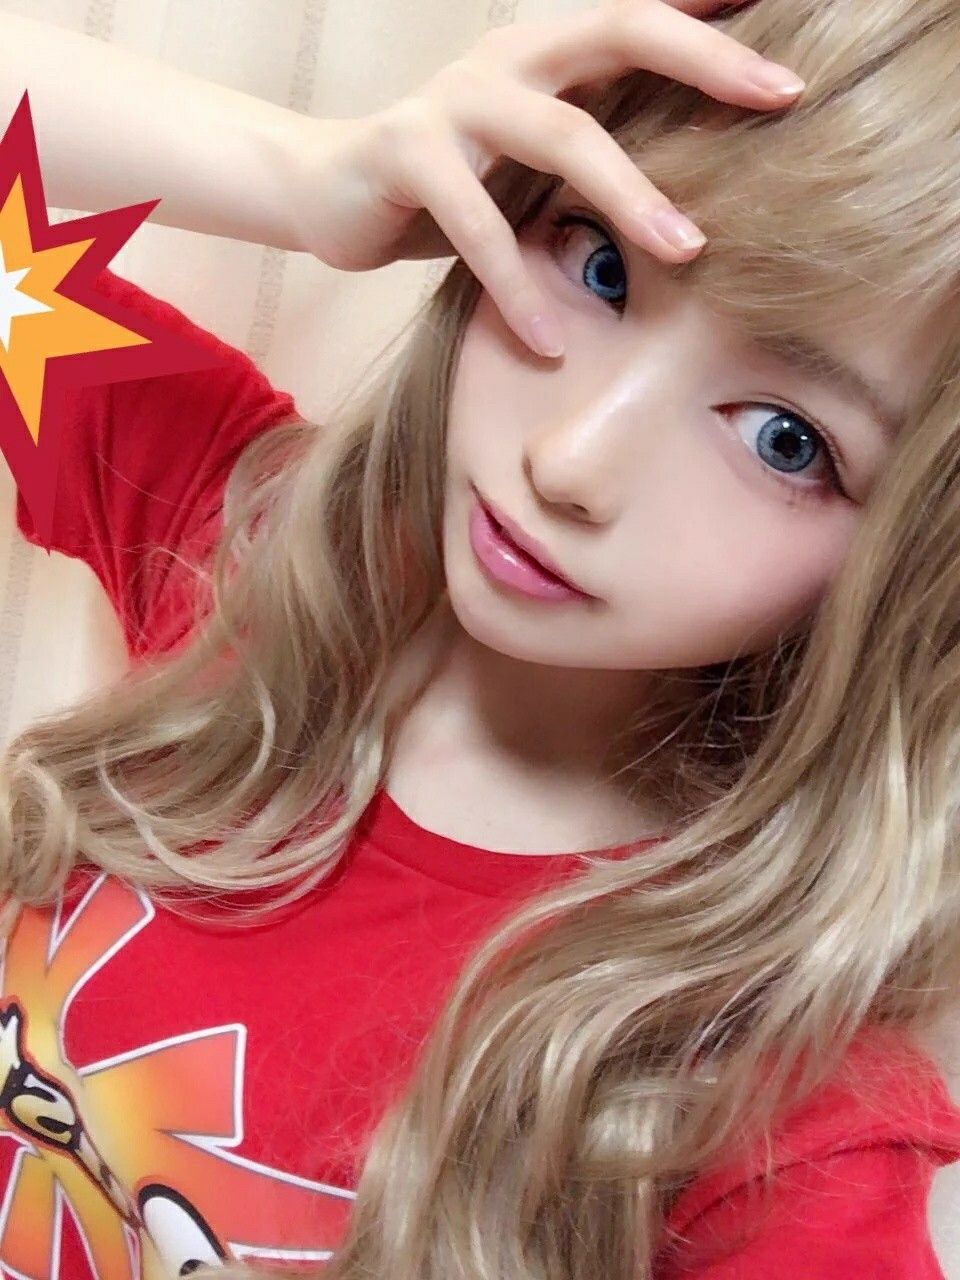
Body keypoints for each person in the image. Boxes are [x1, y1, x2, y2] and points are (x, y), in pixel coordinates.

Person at [2, 1, 960, 1277]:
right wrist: (313, 175)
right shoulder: (253, 556)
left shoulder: (773, 1126)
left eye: (787, 439)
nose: (571, 459)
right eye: (600, 263)